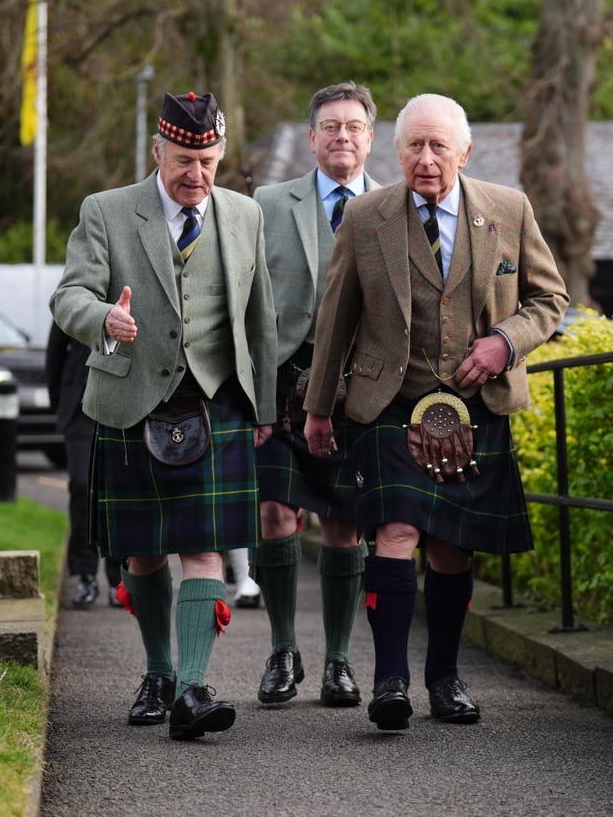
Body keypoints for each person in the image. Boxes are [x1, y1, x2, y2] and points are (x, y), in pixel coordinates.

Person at [303, 93, 569, 730]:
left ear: (464, 152)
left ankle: (445, 680)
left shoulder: (509, 210)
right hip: (389, 402)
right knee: (394, 532)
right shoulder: (365, 218)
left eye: (439, 146)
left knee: (453, 547)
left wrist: (505, 342)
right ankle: (390, 681)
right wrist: (319, 409)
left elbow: (549, 299)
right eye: (414, 146)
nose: (426, 159)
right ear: (397, 153)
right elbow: (336, 319)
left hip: (475, 408)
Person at [50, 90, 277, 741]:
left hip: (216, 400)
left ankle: (192, 687)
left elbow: (260, 316)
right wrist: (105, 318)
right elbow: (68, 295)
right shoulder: (107, 212)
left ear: (220, 155)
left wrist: (263, 406)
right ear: (157, 150)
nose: (195, 175)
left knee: (204, 546)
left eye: (207, 161)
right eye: (183, 159)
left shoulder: (242, 216)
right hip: (129, 402)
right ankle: (158, 670)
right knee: (145, 554)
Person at [252, 81, 379, 708]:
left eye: (353, 127)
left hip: (357, 392)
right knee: (274, 514)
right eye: (330, 126)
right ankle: (281, 650)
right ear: (311, 138)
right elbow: (247, 301)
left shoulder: (394, 205)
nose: (342, 137)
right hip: (279, 383)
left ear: (370, 138)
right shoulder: (268, 203)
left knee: (344, 525)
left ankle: (336, 661)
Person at [45, 321, 123, 608]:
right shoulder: (76, 287)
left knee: (116, 492)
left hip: (120, 406)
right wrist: (60, 404)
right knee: (82, 485)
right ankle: (85, 575)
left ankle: (118, 580)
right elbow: (54, 354)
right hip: (79, 408)